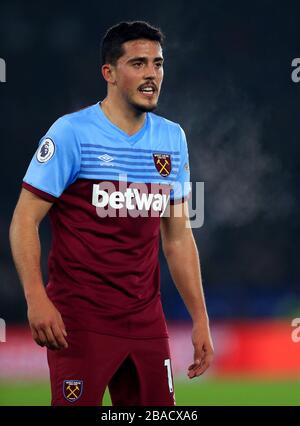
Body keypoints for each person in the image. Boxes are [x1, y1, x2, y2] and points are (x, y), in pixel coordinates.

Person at [9, 21, 214, 406]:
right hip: (80, 322)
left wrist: (200, 318)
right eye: (138, 63)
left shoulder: (172, 138)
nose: (151, 74)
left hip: (147, 322)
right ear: (109, 73)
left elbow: (178, 237)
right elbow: (24, 219)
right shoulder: (72, 133)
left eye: (158, 63)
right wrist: (36, 297)